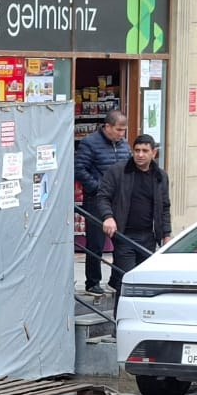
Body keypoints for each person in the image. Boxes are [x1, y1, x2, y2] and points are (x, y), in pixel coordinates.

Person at [98, 134, 171, 283]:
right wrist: (108, 216)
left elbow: (164, 206)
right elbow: (102, 197)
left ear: (154, 153)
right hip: (124, 236)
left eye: (145, 151)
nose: (140, 155)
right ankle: (120, 305)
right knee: (126, 280)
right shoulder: (118, 171)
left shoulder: (160, 176)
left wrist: (166, 234)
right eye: (137, 150)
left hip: (149, 237)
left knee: (144, 281)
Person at [74, 108, 130, 294]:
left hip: (119, 199)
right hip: (97, 200)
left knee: (121, 242)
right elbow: (79, 169)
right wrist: (98, 188)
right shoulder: (90, 143)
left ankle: (116, 280)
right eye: (118, 130)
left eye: (124, 130)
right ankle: (92, 282)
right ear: (107, 126)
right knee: (96, 243)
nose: (122, 134)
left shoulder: (123, 145)